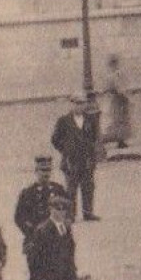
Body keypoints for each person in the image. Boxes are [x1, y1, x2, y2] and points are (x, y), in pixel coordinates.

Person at [51, 94, 101, 222]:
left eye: (82, 103)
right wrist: (66, 150)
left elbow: (94, 137)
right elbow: (55, 139)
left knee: (88, 186)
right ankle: (70, 214)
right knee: (71, 188)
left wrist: (91, 154)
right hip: (71, 161)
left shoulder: (90, 120)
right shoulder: (63, 121)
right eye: (76, 103)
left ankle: (88, 212)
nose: (79, 106)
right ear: (71, 104)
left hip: (86, 160)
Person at [14, 155, 68, 246]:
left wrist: (63, 228)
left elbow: (69, 211)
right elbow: (19, 217)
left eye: (48, 170)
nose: (46, 174)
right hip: (36, 240)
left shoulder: (59, 190)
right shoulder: (28, 193)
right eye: (43, 170)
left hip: (57, 240)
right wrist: (32, 232)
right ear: (36, 171)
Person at [101, 54, 133, 150]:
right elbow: (119, 88)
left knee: (118, 120)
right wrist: (124, 95)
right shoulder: (115, 75)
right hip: (117, 100)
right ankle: (114, 139)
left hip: (115, 100)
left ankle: (120, 140)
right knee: (116, 120)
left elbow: (109, 88)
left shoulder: (111, 75)